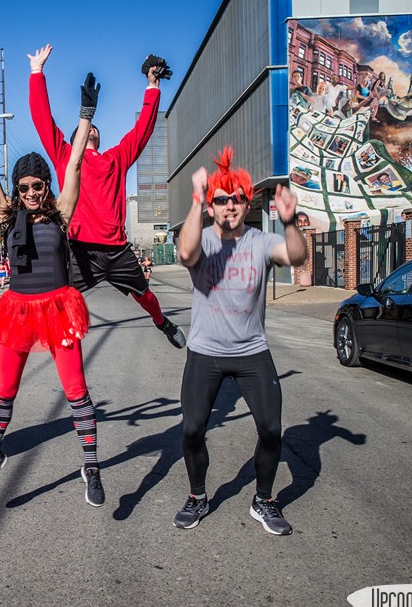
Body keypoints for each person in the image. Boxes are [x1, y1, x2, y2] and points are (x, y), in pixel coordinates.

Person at [0, 72, 107, 507]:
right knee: (4, 391)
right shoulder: (6, 214)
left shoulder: (61, 212)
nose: (32, 192)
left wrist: (85, 116)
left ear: (46, 187)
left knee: (76, 391)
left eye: (38, 186)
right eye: (25, 187)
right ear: (17, 190)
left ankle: (90, 466)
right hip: (18, 310)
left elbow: (73, 163)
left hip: (58, 308)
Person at [173, 147, 308, 535]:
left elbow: (296, 257)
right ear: (211, 206)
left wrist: (288, 221)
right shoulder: (203, 239)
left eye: (237, 198)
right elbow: (185, 251)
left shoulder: (261, 241)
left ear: (247, 203)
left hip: (252, 352)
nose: (229, 205)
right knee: (193, 429)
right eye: (221, 199)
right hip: (206, 353)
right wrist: (197, 201)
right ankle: (198, 496)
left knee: (271, 428)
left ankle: (263, 499)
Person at [28, 45, 186, 350]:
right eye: (86, 131)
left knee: (146, 296)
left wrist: (152, 86)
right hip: (80, 249)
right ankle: (48, 337)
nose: (91, 132)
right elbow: (42, 120)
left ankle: (162, 322)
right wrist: (37, 73)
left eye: (95, 130)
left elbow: (142, 130)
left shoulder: (116, 158)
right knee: (55, 294)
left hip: (116, 249)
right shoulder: (65, 157)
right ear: (75, 138)